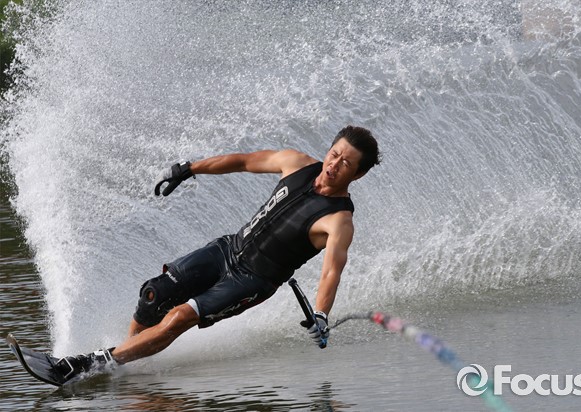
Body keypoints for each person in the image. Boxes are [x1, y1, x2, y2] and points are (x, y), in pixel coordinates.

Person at [55, 126, 380, 380]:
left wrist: (321, 314)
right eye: (334, 154)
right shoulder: (296, 163)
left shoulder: (339, 221)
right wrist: (189, 168)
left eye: (346, 163)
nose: (334, 165)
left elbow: (331, 272)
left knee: (180, 317)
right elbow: (243, 161)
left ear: (358, 174)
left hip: (253, 280)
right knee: (154, 295)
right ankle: (125, 361)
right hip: (227, 249)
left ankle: (94, 364)